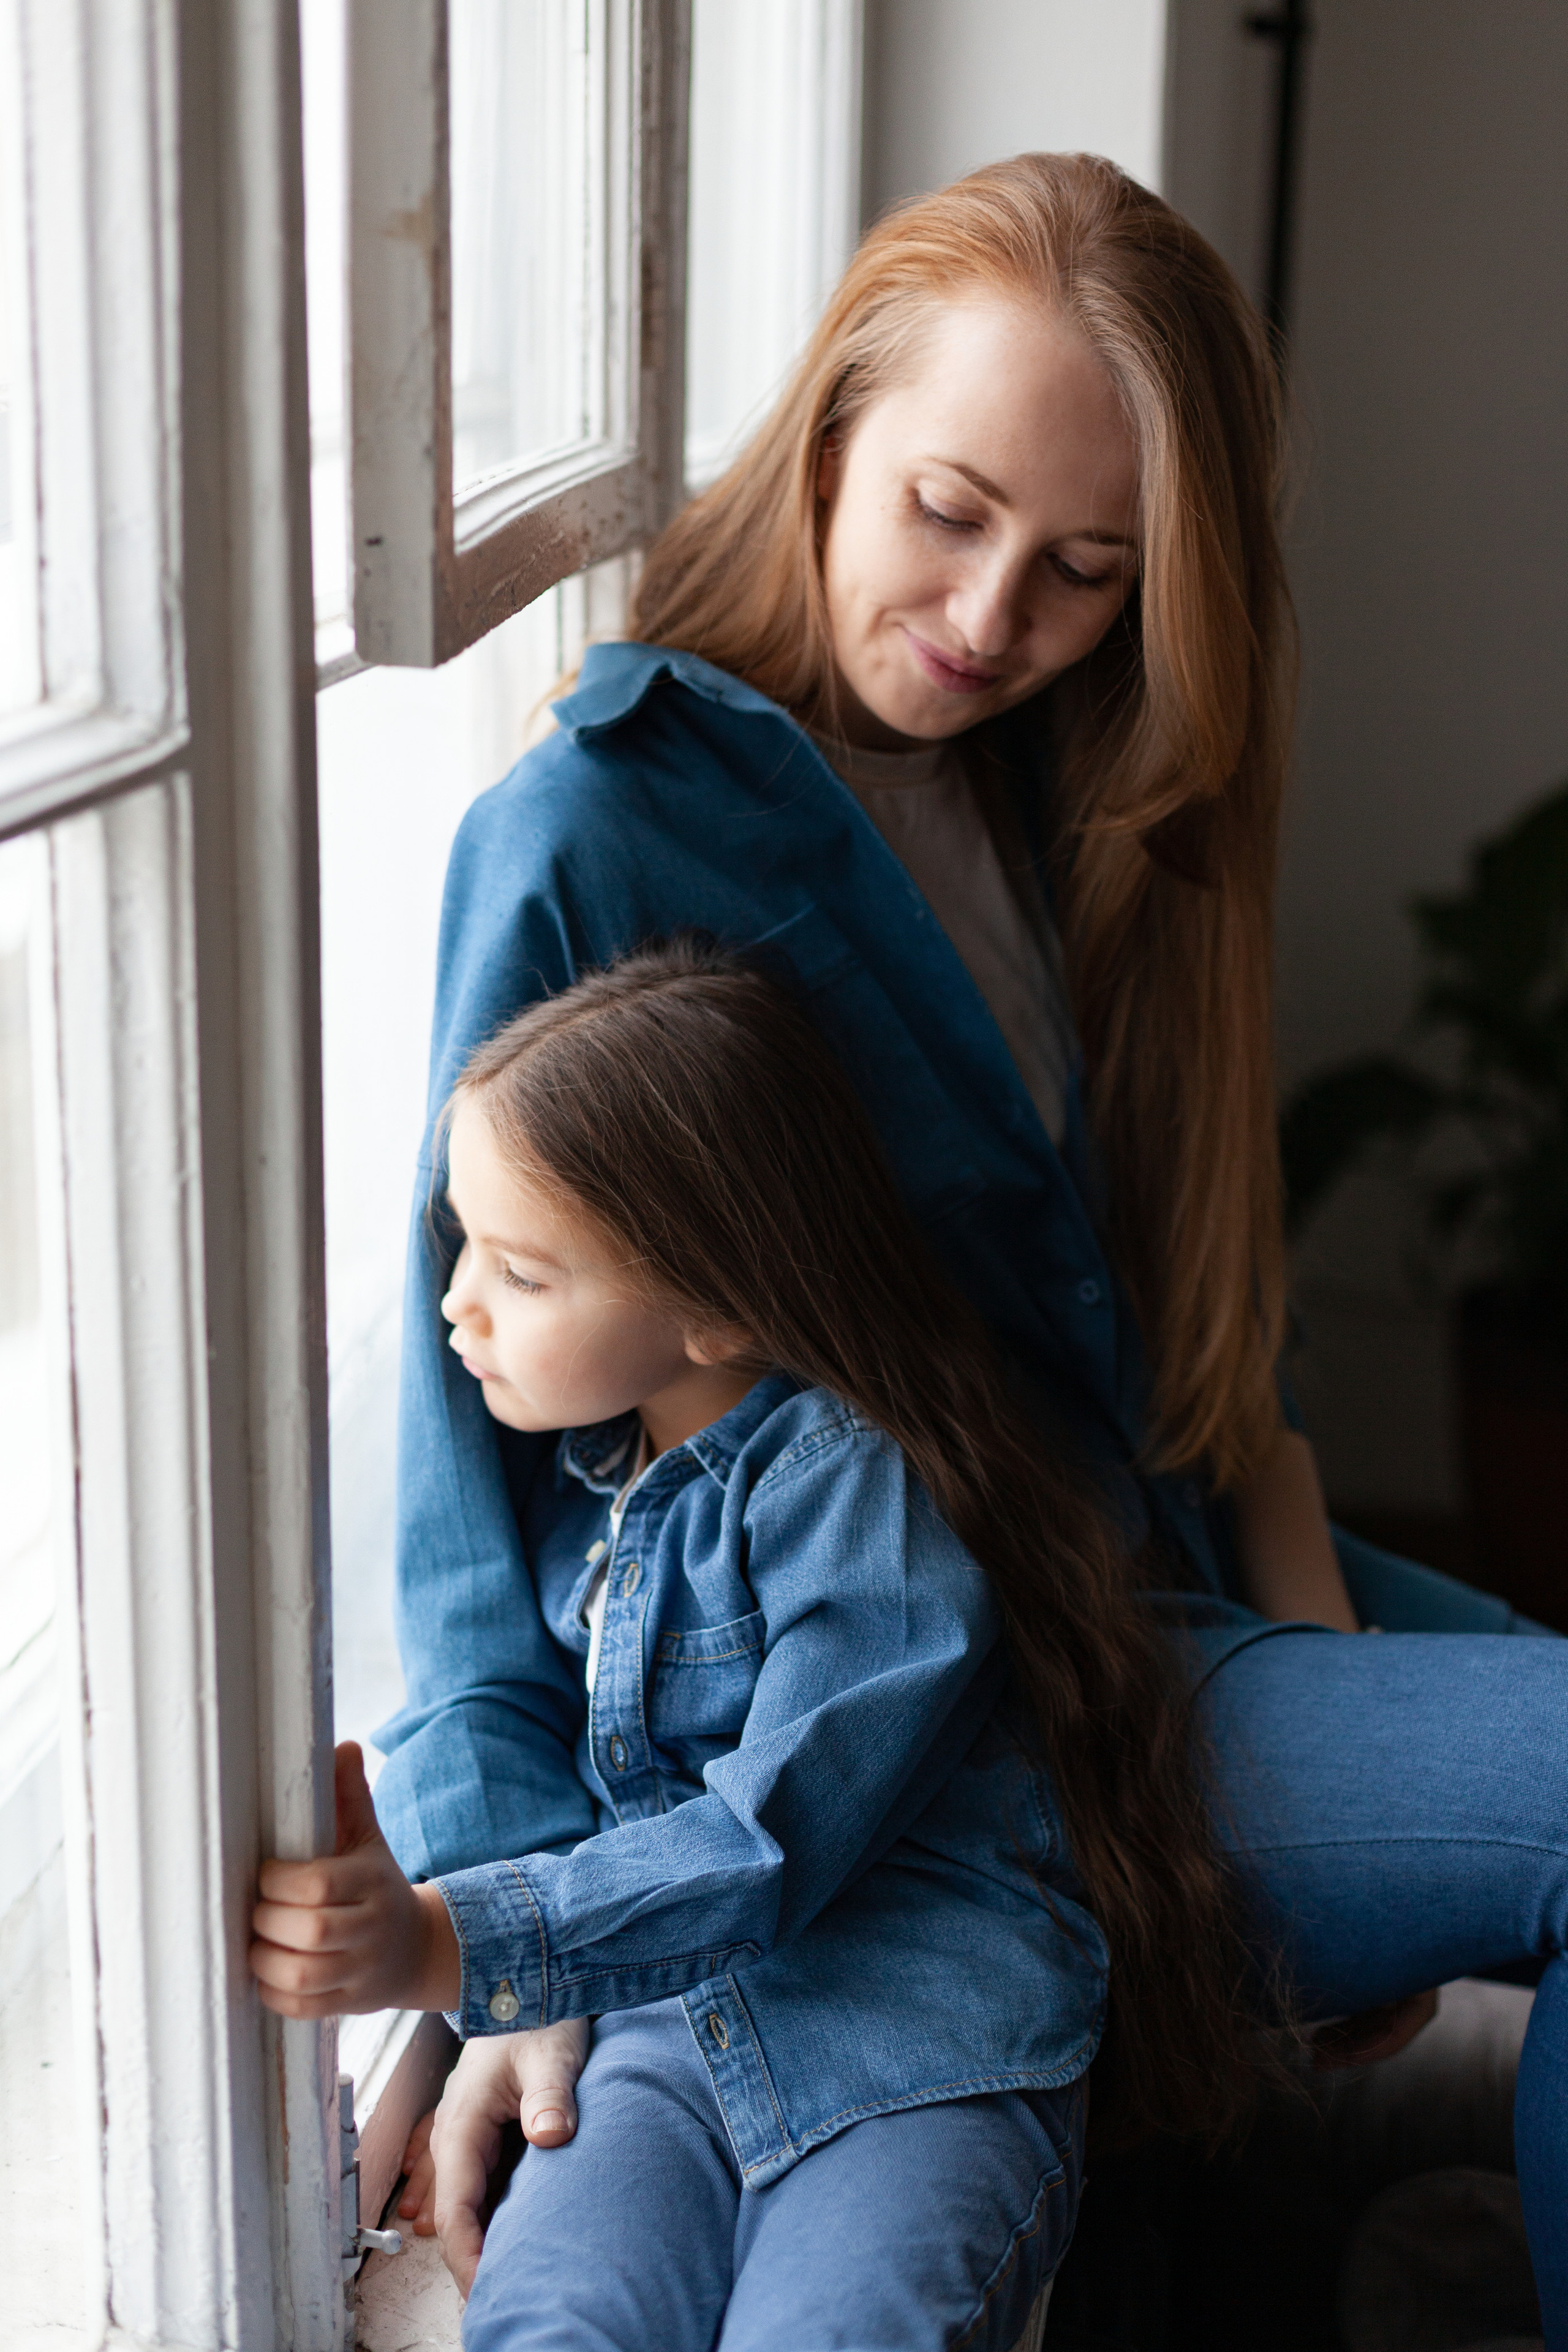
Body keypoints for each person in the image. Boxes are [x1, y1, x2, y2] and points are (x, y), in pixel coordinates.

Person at [353, 153, 1568, 2335]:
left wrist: (1358, 1697)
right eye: (949, 511)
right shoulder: (599, 824)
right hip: (957, 1692)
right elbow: (471, 1429)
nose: (999, 617)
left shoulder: (1071, 782)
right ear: (829, 429)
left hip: (1167, 1578)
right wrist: (505, 1936)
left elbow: (1219, 1345)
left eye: (1089, 568)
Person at [250, 938, 1265, 2348]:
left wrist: (435, 1943)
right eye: (461, 1245)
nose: (454, 1306)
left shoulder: (869, 1504)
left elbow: (762, 1845)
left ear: (720, 1304)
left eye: (523, 1274)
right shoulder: (599, 1489)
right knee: (552, 2323)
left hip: (914, 2055)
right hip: (667, 2034)